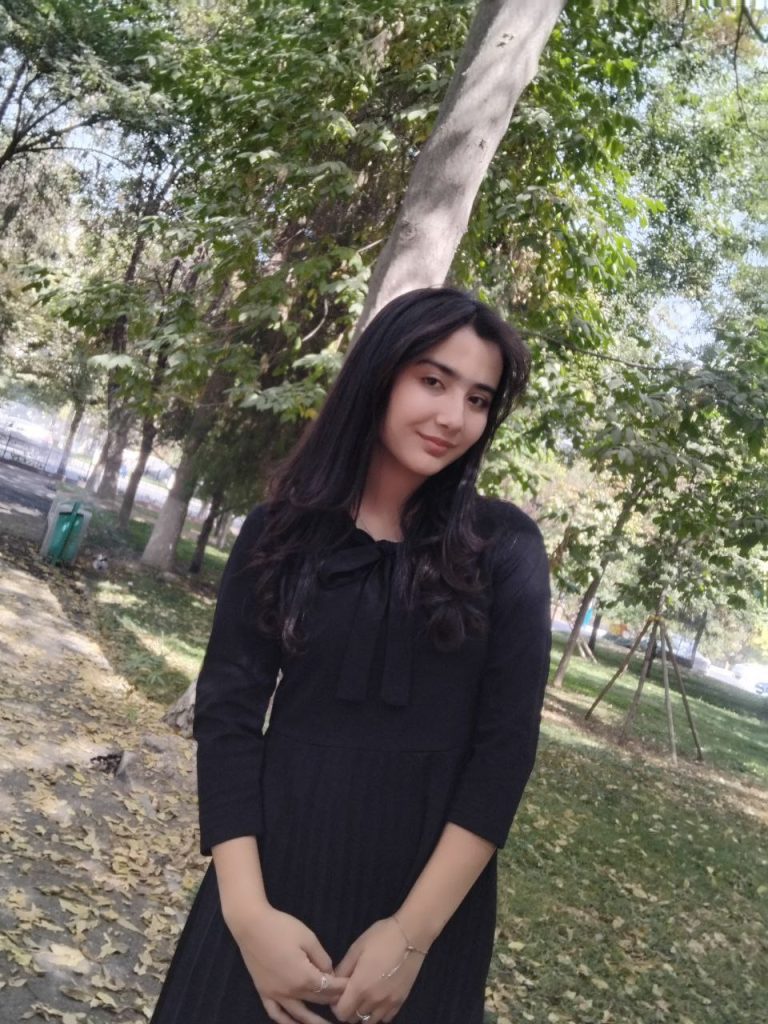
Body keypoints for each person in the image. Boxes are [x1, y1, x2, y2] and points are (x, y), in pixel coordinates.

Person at [149, 286, 552, 1024]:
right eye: (432, 381)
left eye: (478, 399)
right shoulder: (279, 531)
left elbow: (505, 752)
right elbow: (229, 714)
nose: (453, 416)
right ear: (380, 374)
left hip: (427, 910)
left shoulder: (506, 547)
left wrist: (410, 937)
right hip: (271, 882)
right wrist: (248, 916)